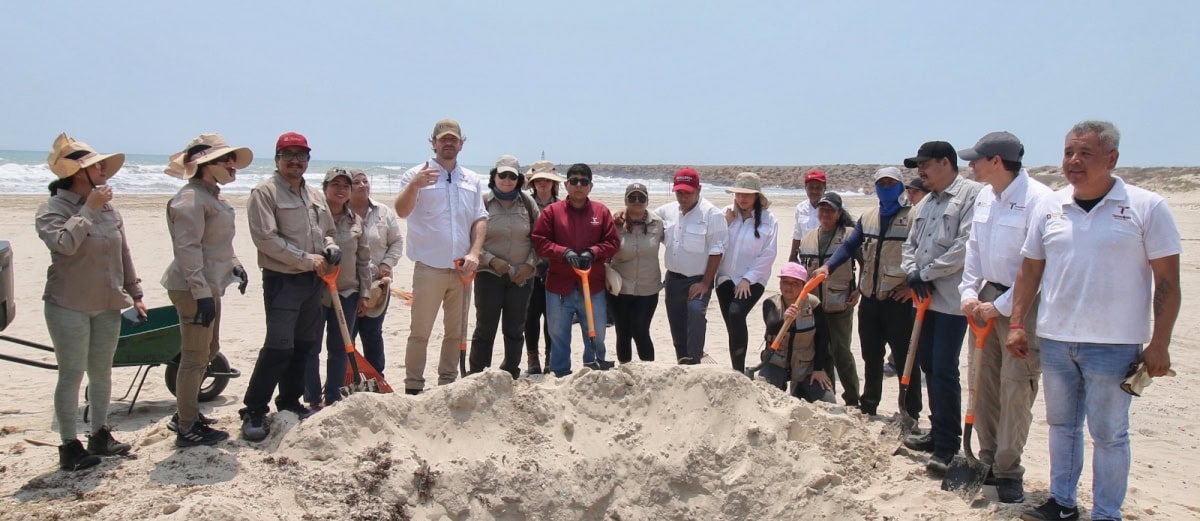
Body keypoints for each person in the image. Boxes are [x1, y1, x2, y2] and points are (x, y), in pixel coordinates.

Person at [1008, 121, 1181, 521]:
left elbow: (1168, 281)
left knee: (1109, 434)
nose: (1074, 161)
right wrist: (1017, 323)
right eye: (1069, 152)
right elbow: (1030, 270)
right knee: (1061, 427)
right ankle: (1063, 503)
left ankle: (1106, 513)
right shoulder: (1050, 206)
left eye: (1086, 153)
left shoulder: (1147, 206)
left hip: (1114, 345)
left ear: (1112, 158)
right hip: (1056, 340)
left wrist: (1160, 343)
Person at [956, 132, 1052, 503]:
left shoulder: (1039, 199)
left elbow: (1037, 268)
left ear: (997, 161)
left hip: (1022, 306)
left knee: (1016, 388)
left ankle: (1009, 470)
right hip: (984, 300)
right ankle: (988, 459)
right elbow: (974, 249)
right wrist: (968, 292)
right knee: (982, 384)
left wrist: (1001, 306)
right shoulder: (985, 196)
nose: (970, 165)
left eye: (976, 159)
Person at [38, 133, 141, 470]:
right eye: (97, 166)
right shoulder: (52, 209)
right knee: (71, 373)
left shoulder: (109, 208)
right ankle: (69, 445)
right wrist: (88, 208)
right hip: (68, 303)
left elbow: (123, 252)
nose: (104, 170)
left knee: (101, 372)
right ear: (78, 172)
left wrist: (135, 293)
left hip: (107, 302)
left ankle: (100, 434)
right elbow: (64, 245)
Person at [241, 132, 340, 441]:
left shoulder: (314, 195)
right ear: (277, 159)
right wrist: (305, 259)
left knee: (304, 345)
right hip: (282, 279)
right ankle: (254, 409)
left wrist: (331, 247)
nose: (295, 160)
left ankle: (289, 403)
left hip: (314, 280)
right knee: (278, 346)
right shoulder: (264, 192)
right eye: (288, 155)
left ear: (308, 160)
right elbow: (265, 239)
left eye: (301, 155)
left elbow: (328, 230)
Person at [161, 133, 253, 447]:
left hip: (209, 285)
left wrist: (235, 265)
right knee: (194, 357)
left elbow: (217, 244)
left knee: (209, 351)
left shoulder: (212, 197)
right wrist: (201, 293)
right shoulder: (190, 199)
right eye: (226, 160)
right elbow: (187, 250)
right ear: (205, 164)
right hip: (192, 288)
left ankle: (186, 413)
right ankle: (186, 426)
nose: (232, 165)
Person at [900, 140, 984, 473]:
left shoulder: (971, 196)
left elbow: (964, 247)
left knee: (944, 368)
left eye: (925, 165)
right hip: (922, 299)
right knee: (927, 366)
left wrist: (926, 273)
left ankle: (949, 444)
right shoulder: (925, 203)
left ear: (946, 163)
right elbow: (910, 244)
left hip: (950, 300)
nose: (920, 172)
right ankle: (936, 432)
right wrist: (912, 273)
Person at [813, 167, 920, 420]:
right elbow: (849, 245)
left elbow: (925, 253)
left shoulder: (915, 216)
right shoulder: (869, 217)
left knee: (905, 358)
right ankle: (869, 405)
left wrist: (913, 287)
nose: (886, 188)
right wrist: (828, 267)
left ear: (900, 187)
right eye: (881, 184)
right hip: (871, 299)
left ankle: (910, 411)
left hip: (898, 300)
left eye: (891, 183)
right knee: (871, 355)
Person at [394, 119, 488, 394]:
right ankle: (413, 386)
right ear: (433, 143)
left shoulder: (471, 179)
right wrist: (414, 186)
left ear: (461, 143)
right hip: (429, 268)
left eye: (453, 139)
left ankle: (447, 382)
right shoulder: (415, 175)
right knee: (420, 332)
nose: (448, 143)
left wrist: (475, 252)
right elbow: (401, 211)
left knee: (455, 332)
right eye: (443, 139)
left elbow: (480, 218)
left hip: (462, 269)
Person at [531, 164, 619, 376]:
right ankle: (560, 372)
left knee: (597, 332)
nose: (579, 185)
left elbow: (613, 242)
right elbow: (539, 241)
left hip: (593, 285)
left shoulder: (601, 211)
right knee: (558, 334)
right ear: (566, 184)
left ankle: (593, 367)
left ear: (590, 186)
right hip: (559, 286)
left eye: (584, 181)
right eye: (574, 181)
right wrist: (563, 252)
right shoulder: (552, 212)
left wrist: (593, 252)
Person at [305, 168, 371, 408]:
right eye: (335, 185)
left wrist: (365, 293)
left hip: (347, 293)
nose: (341, 190)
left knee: (341, 347)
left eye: (346, 186)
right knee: (311, 347)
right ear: (325, 188)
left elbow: (364, 260)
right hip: (316, 292)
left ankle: (333, 397)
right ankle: (313, 398)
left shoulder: (356, 221)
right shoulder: (313, 216)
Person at [470, 155, 541, 378]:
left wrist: (529, 265)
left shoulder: (528, 203)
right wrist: (491, 260)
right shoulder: (482, 202)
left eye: (512, 176)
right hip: (488, 275)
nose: (507, 180)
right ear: (494, 176)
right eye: (503, 175)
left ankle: (511, 372)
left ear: (518, 179)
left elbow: (540, 239)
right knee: (485, 328)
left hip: (521, 277)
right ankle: (477, 374)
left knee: (515, 328)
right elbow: (471, 240)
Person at [656, 168, 728, 364]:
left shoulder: (712, 214)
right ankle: (682, 360)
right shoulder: (667, 211)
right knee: (676, 324)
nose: (683, 197)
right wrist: (623, 213)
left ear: (699, 189)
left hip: (698, 279)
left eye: (688, 192)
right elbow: (645, 216)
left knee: (696, 314)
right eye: (679, 192)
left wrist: (705, 283)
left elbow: (717, 251)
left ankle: (695, 360)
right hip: (673, 279)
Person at [796, 192, 861, 407]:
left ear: (839, 213)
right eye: (822, 209)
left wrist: (859, 289)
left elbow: (866, 263)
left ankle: (852, 398)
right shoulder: (808, 238)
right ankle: (828, 396)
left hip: (840, 303)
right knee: (822, 353)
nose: (825, 213)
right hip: (814, 305)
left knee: (841, 353)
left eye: (830, 210)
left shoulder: (850, 235)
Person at [716, 172, 778, 373]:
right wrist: (724, 223)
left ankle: (739, 370)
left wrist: (747, 279)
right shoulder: (725, 214)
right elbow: (712, 242)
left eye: (747, 194)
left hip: (753, 280)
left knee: (736, 315)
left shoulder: (769, 219)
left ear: (756, 196)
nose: (742, 198)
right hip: (725, 277)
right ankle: (737, 370)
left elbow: (769, 253)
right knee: (732, 325)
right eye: (739, 194)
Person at [348, 169, 404, 375]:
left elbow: (396, 241)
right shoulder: (338, 212)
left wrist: (387, 264)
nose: (363, 185)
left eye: (365, 181)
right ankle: (348, 377)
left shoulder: (383, 211)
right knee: (346, 335)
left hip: (377, 285)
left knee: (372, 332)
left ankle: (376, 377)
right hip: (348, 285)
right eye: (356, 182)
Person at [756, 263, 835, 403]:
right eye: (785, 282)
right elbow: (771, 327)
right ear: (780, 284)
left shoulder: (813, 304)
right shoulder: (771, 303)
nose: (789, 287)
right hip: (776, 362)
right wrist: (785, 319)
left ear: (804, 285)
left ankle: (799, 388)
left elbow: (823, 338)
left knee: (828, 401)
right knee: (763, 398)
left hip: (806, 366)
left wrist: (818, 369)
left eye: (795, 284)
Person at [609, 182, 664, 363]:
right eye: (632, 197)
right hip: (620, 288)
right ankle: (625, 370)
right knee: (623, 332)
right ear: (625, 200)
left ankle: (649, 372)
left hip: (648, 289)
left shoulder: (658, 223)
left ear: (647, 201)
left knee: (640, 330)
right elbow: (603, 250)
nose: (637, 201)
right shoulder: (614, 223)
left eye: (641, 197)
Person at [523, 160, 563, 374]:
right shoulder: (524, 204)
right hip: (530, 267)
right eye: (539, 179)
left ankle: (550, 356)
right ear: (533, 182)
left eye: (547, 179)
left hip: (555, 269)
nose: (543, 183)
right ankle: (532, 358)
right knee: (531, 315)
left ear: (554, 183)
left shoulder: (562, 206)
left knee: (552, 316)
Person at [789, 169, 827, 262]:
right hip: (806, 259)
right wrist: (792, 258)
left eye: (818, 188)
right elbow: (797, 235)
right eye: (811, 187)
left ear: (824, 188)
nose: (814, 191)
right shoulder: (800, 208)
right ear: (805, 188)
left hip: (828, 258)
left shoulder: (833, 208)